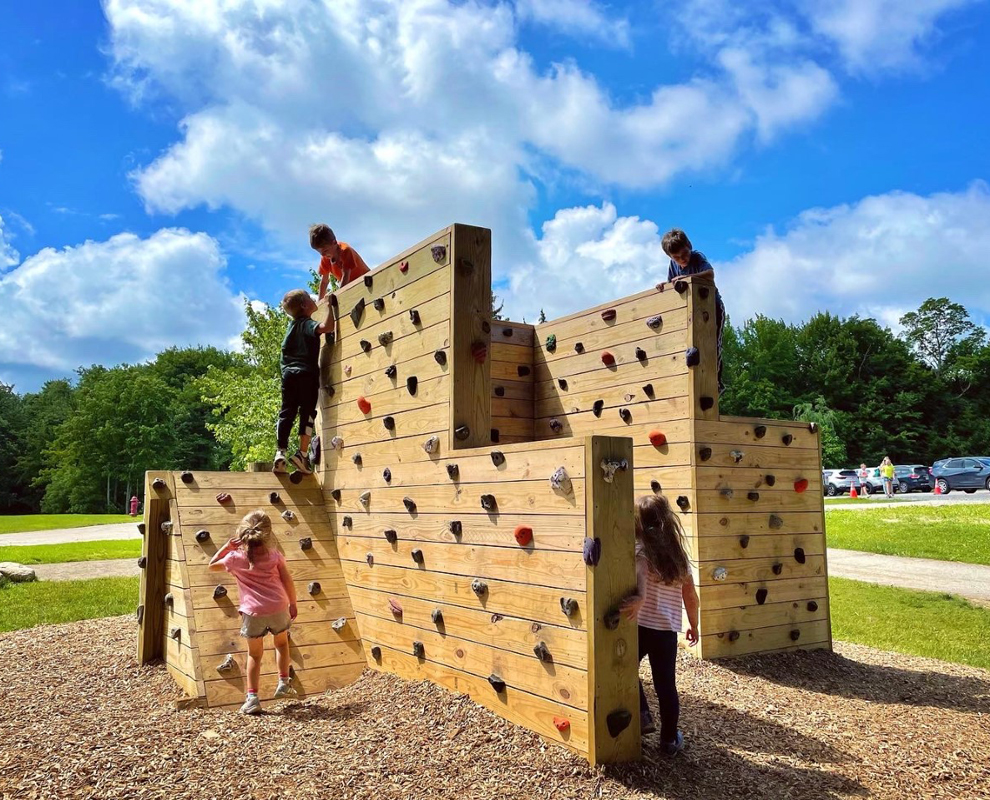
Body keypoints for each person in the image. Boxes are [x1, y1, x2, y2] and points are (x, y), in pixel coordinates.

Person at [621, 494, 700, 755]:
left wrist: (641, 597)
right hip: (666, 631)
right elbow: (690, 595)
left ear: (640, 522)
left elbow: (641, 571)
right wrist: (693, 624)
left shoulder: (641, 549)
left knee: (625, 668)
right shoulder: (678, 557)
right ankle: (668, 740)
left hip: (641, 626)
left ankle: (643, 713)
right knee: (665, 684)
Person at [208, 509, 299, 715]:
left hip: (252, 612)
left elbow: (211, 565)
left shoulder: (234, 558)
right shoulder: (275, 556)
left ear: (242, 534)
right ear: (268, 534)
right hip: (278, 607)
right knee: (282, 644)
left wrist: (226, 547)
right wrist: (292, 603)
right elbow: (288, 581)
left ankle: (252, 699)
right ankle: (283, 682)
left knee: (255, 655)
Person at [275, 289, 336, 474]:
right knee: (307, 413)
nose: (313, 299)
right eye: (310, 298)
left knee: (287, 412)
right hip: (306, 374)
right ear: (304, 305)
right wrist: (330, 306)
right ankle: (301, 454)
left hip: (288, 375)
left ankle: (280, 452)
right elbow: (327, 327)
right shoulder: (307, 324)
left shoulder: (291, 328)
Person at [661, 228, 726, 394]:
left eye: (684, 254)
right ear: (670, 257)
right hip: (692, 312)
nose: (682, 259)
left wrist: (687, 278)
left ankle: (717, 383)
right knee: (692, 348)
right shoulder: (673, 265)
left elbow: (710, 274)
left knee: (713, 345)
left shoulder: (697, 257)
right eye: (676, 258)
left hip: (713, 308)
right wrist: (664, 286)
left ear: (689, 246)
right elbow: (672, 285)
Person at [310, 223, 370, 301]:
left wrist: (339, 296)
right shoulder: (325, 258)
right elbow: (324, 282)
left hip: (366, 281)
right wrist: (319, 302)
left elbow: (346, 276)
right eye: (320, 252)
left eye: (325, 250)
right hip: (351, 287)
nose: (323, 254)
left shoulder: (345, 251)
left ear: (334, 242)